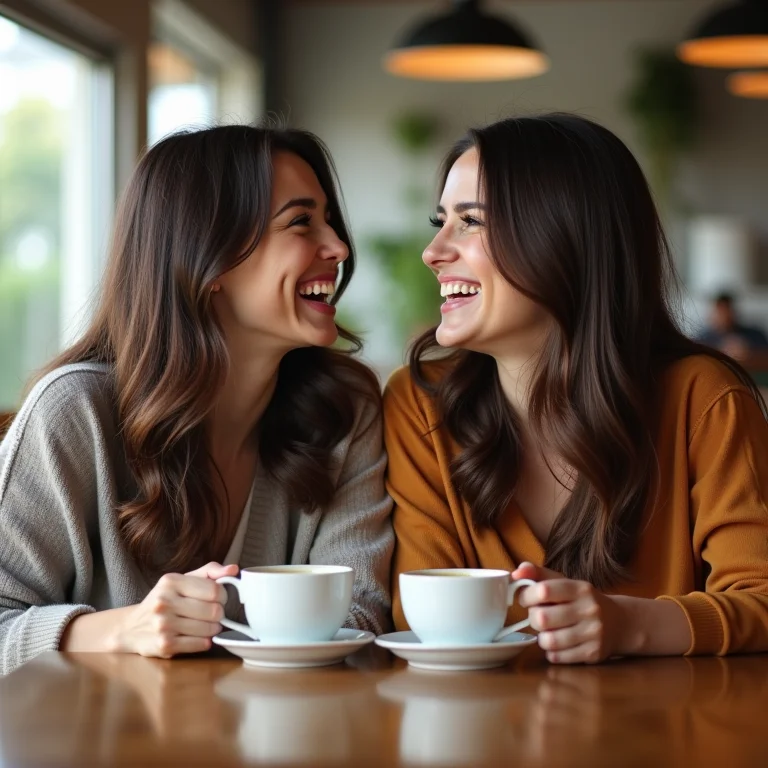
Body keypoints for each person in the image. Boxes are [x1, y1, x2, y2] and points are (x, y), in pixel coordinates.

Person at [0, 124, 393, 675]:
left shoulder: (345, 410)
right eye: (301, 222)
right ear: (211, 260)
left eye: (328, 219)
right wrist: (121, 629)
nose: (338, 247)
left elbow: (361, 617)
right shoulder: (75, 412)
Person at [384, 114, 768, 664]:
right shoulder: (419, 404)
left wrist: (629, 624)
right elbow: (426, 616)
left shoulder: (703, 399)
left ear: (564, 237)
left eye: (470, 221)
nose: (433, 251)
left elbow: (761, 598)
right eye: (440, 220)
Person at [697, 292, 768, 361]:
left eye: (728, 310)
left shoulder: (755, 335)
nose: (725, 316)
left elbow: (764, 353)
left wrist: (748, 351)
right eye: (721, 312)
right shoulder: (704, 339)